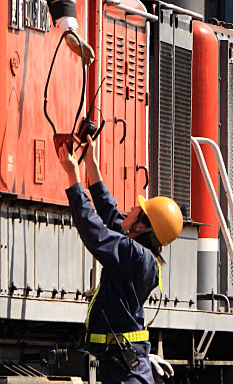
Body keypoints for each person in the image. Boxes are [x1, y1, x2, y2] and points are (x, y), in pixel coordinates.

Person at [59, 140, 182, 384]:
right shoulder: (139, 254)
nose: (131, 209)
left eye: (137, 210)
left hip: (125, 372)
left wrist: (73, 176)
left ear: (143, 226)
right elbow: (110, 214)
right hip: (123, 365)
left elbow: (94, 232)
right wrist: (91, 163)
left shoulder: (134, 256)